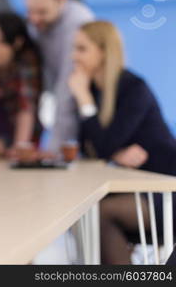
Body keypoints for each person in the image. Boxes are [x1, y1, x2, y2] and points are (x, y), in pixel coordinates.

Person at [68, 21, 176, 264]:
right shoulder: (93, 91)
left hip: (166, 190)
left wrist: (83, 99)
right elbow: (90, 148)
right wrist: (114, 154)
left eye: (81, 49)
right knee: (83, 210)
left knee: (99, 214)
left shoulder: (133, 88)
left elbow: (103, 146)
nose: (74, 56)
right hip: (136, 190)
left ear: (104, 51)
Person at [25, 0, 94, 153]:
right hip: (58, 93)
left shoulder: (77, 22)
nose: (34, 19)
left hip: (85, 99)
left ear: (61, 1)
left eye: (42, 12)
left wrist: (53, 152)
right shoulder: (36, 24)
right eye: (30, 11)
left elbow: (67, 90)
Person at [0, 12, 43, 154]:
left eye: (0, 42)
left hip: (20, 135)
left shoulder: (27, 62)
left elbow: (26, 107)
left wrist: (19, 148)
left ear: (17, 42)